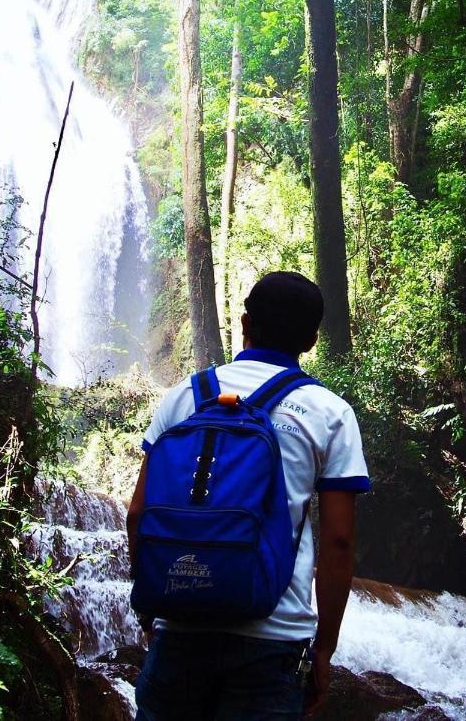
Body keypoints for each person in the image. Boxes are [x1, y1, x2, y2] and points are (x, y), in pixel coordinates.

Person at [127, 271, 370, 720]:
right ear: (312, 339)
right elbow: (338, 542)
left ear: (244, 324)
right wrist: (324, 649)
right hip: (273, 640)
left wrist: (151, 610)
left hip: (179, 628)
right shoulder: (330, 413)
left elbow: (138, 511)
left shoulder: (183, 396)